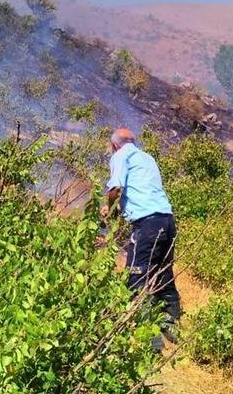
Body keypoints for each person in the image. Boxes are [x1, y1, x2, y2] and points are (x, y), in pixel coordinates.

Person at [101, 127, 181, 351]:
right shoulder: (147, 157)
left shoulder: (120, 155)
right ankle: (171, 325)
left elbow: (116, 187)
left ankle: (151, 340)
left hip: (147, 224)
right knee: (163, 274)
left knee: (137, 278)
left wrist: (106, 204)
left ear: (114, 145)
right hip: (167, 221)